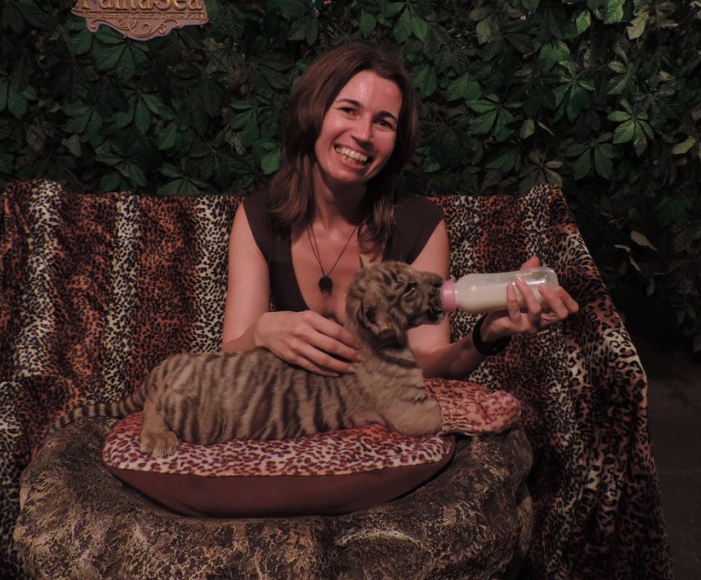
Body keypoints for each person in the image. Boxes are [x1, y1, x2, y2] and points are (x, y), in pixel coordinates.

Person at [221, 41, 578, 377]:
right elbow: (228, 361)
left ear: (396, 143)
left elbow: (427, 363)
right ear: (312, 113)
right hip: (296, 413)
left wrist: (487, 335)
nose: (363, 134)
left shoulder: (419, 225)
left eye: (383, 122)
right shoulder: (259, 218)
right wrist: (261, 332)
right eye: (348, 110)